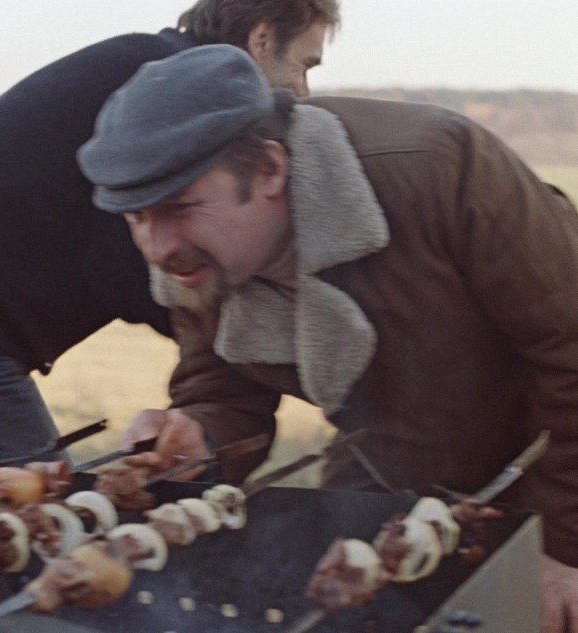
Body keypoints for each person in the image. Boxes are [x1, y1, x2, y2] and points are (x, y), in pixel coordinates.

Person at [77, 45, 578, 632]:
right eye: (136, 218)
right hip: (388, 454)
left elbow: (572, 351)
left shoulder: (441, 168)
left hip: (554, 452)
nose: (157, 249)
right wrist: (199, 434)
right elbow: (221, 390)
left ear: (270, 170)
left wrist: (563, 546)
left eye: (180, 207)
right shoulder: (192, 261)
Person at [0, 0, 341, 462]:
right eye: (304, 65)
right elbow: (134, 270)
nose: (301, 91)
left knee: (39, 504)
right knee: (31, 510)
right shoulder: (165, 95)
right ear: (262, 39)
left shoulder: (149, 71)